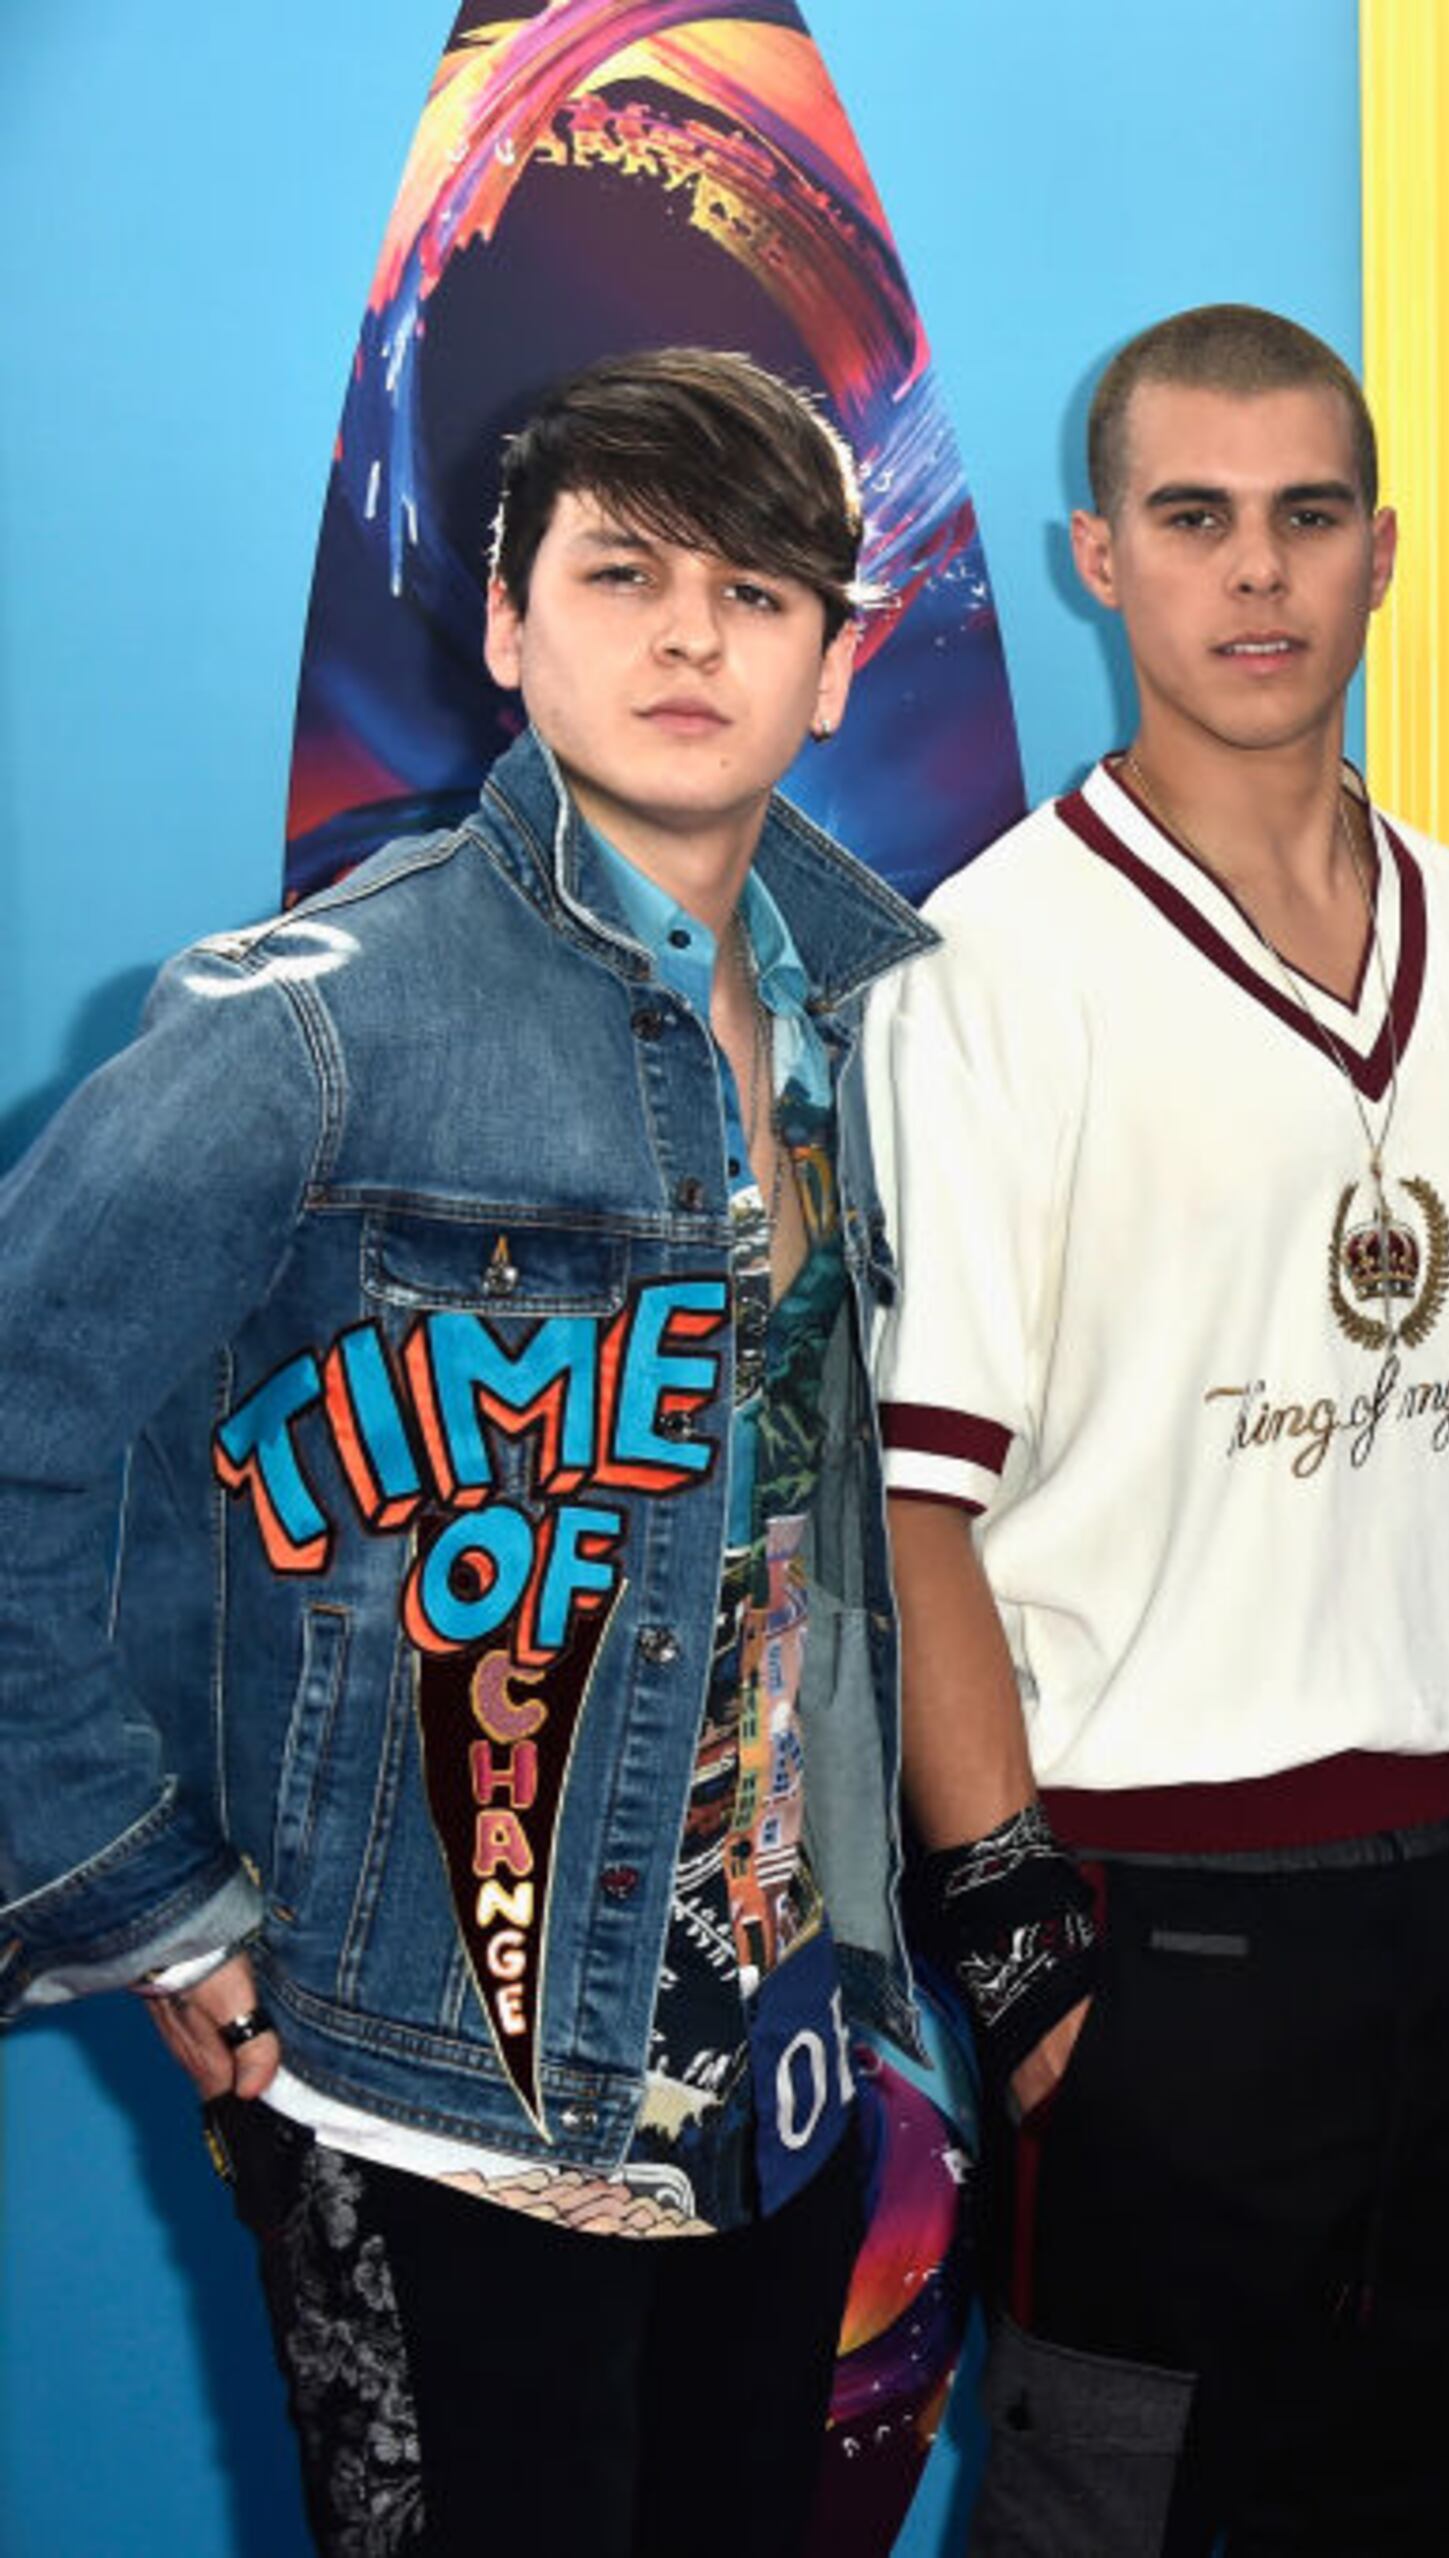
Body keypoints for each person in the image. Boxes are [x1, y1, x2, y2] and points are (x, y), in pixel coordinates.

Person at [0, 347, 931, 2555]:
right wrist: (149, 1904)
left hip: (777, 2086)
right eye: (621, 573)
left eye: (754, 587)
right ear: (506, 626)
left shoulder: (884, 1016)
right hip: (435, 2102)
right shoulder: (312, 1020)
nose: (690, 633)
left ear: (837, 657)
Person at [865, 302, 1449, 2555]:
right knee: (1122, 2523)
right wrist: (1015, 1942)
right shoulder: (981, 965)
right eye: (1196, 520)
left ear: (1385, 552)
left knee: (1435, 2504)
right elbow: (919, 1510)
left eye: (1306, 519)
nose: (1258, 576)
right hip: (1160, 1929)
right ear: (1101, 556)